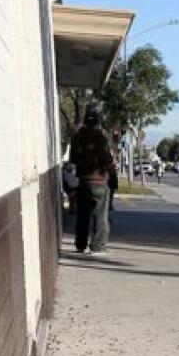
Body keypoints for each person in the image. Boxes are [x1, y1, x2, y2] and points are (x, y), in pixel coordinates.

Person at [69, 108, 115, 253]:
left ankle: (80, 244)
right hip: (99, 182)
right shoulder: (100, 137)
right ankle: (97, 246)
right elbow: (107, 160)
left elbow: (73, 160)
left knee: (82, 215)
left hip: (83, 181)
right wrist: (111, 174)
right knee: (100, 216)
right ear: (97, 122)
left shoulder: (77, 138)